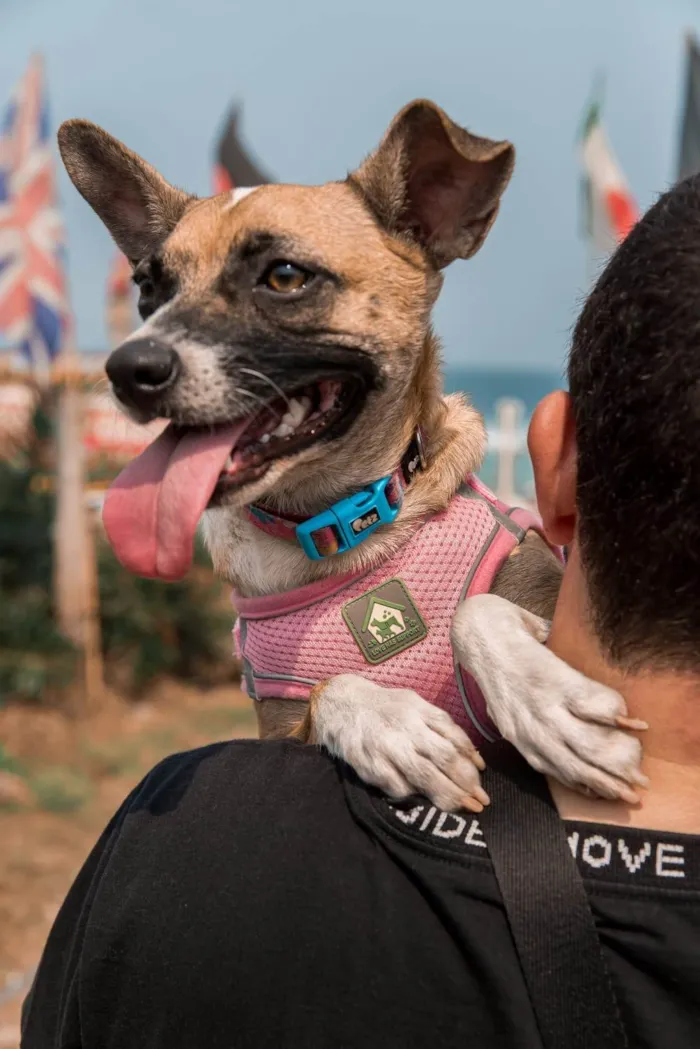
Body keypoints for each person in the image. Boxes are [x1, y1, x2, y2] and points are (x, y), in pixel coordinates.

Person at [21, 176, 700, 1049]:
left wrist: (484, 623)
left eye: (282, 278)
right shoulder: (266, 615)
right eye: (161, 285)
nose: (145, 349)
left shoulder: (182, 838)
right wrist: (339, 702)